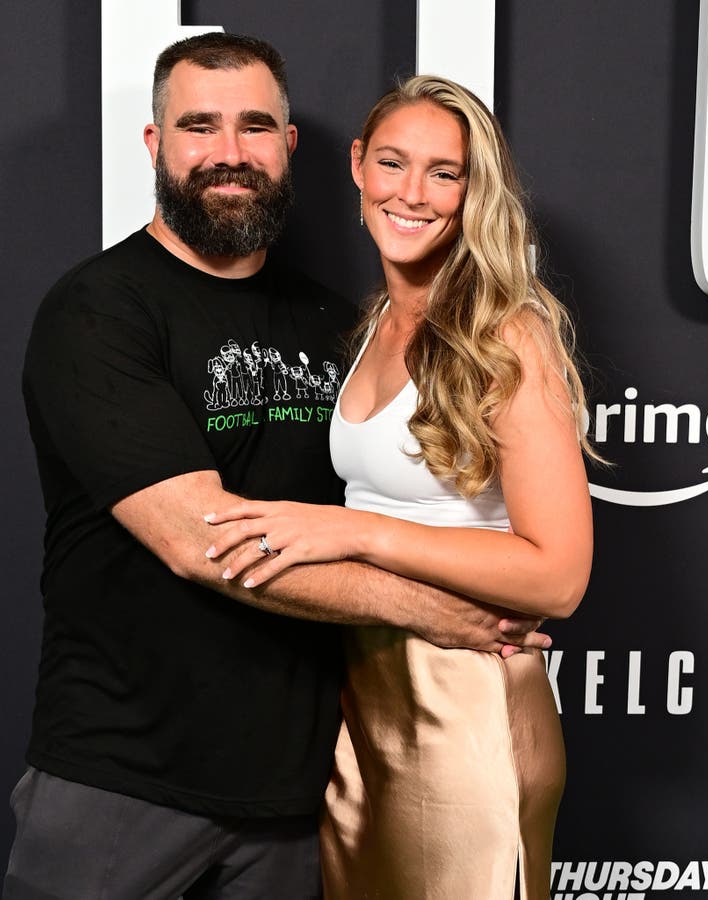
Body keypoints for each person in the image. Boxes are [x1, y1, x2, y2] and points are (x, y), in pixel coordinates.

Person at [4, 36, 550, 900]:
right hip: (124, 774)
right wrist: (427, 612)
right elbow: (198, 539)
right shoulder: (99, 311)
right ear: (156, 146)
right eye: (199, 126)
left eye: (255, 126)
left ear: (290, 148)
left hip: (303, 790)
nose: (229, 153)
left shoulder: (345, 325)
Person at [206, 76, 596, 898]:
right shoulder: (378, 318)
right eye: (392, 162)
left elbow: (558, 576)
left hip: (467, 701)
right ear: (357, 166)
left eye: (444, 173)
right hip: (364, 705)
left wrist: (356, 533)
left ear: (474, 190)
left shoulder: (506, 333)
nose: (411, 194)